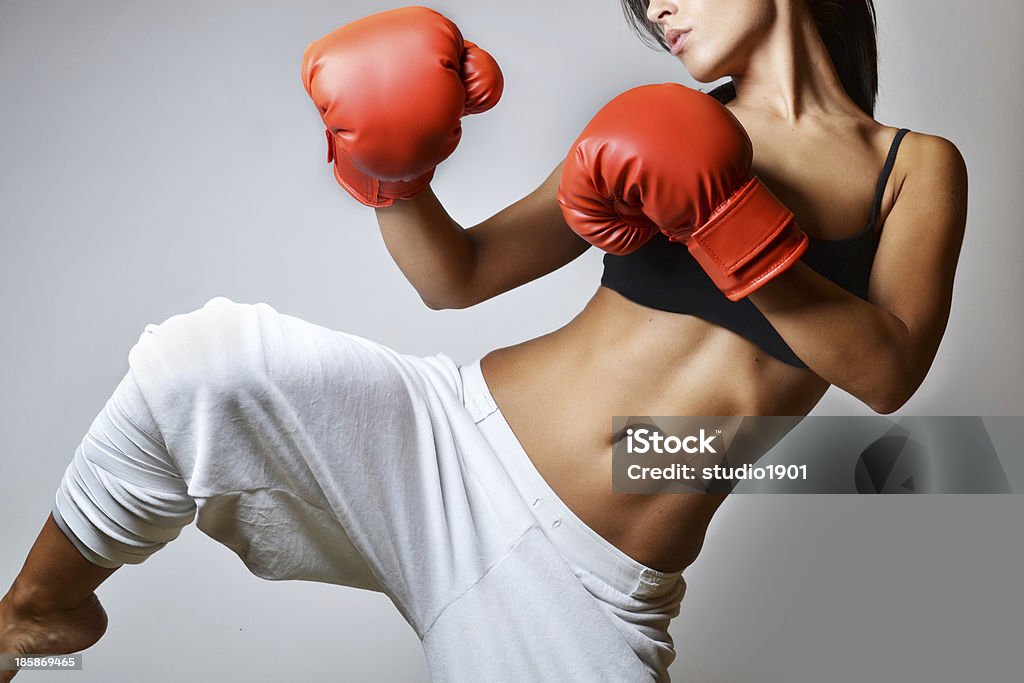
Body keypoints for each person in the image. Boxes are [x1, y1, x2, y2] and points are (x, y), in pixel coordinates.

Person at [0, 1, 968, 681]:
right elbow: (453, 276)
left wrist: (727, 221)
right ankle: (42, 607)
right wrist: (390, 170)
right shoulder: (655, 124)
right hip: (446, 440)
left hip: (588, 585)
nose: (660, 12)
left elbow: (885, 371)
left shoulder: (911, 167)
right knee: (199, 362)